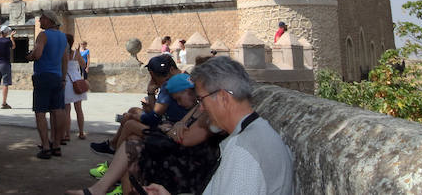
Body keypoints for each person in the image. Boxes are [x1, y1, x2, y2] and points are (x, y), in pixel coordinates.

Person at [146, 55, 293, 195]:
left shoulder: (244, 152)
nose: (201, 108)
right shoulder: (256, 133)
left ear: (223, 98)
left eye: (201, 100)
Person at [69, 73, 221, 195]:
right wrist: (174, 128)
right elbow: (175, 127)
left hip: (190, 164)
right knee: (132, 142)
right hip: (179, 153)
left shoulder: (207, 113)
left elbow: (182, 137)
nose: (179, 103)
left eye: (179, 99)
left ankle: (108, 175)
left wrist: (172, 128)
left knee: (132, 139)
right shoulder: (198, 108)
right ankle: (105, 187)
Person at [90, 54, 187, 156]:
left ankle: (113, 160)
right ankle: (113, 145)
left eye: (154, 77)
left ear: (170, 70)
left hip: (171, 129)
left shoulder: (169, 85)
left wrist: (132, 116)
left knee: (129, 124)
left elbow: (153, 118)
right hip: (169, 122)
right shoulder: (184, 76)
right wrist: (151, 93)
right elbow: (156, 113)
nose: (153, 80)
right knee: (134, 110)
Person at [25, 10, 68, 159]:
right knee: (58, 111)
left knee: (40, 112)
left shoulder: (43, 35)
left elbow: (37, 54)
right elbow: (65, 60)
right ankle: (56, 145)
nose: (39, 21)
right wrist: (63, 79)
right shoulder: (63, 37)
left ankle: (45, 147)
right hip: (57, 78)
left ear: (49, 20)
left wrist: (30, 56)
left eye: (42, 18)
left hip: (43, 76)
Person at [62, 33, 88, 142]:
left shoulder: (61, 54)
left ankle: (67, 134)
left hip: (67, 82)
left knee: (67, 111)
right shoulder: (76, 54)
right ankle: (81, 132)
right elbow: (83, 65)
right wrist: (78, 54)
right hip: (77, 81)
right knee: (79, 110)